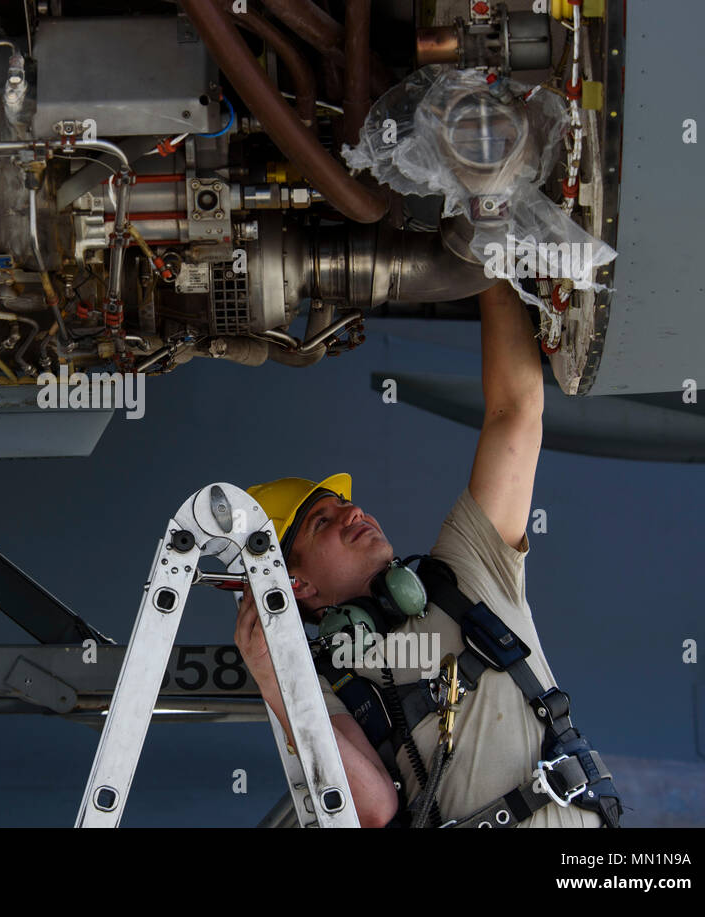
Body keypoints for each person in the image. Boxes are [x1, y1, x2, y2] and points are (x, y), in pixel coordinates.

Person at [236, 280, 619, 828]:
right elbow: (371, 809)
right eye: (322, 521)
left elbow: (515, 413)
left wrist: (492, 263)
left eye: (346, 503)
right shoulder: (323, 684)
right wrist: (276, 682)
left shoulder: (464, 572)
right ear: (297, 585)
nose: (353, 513)